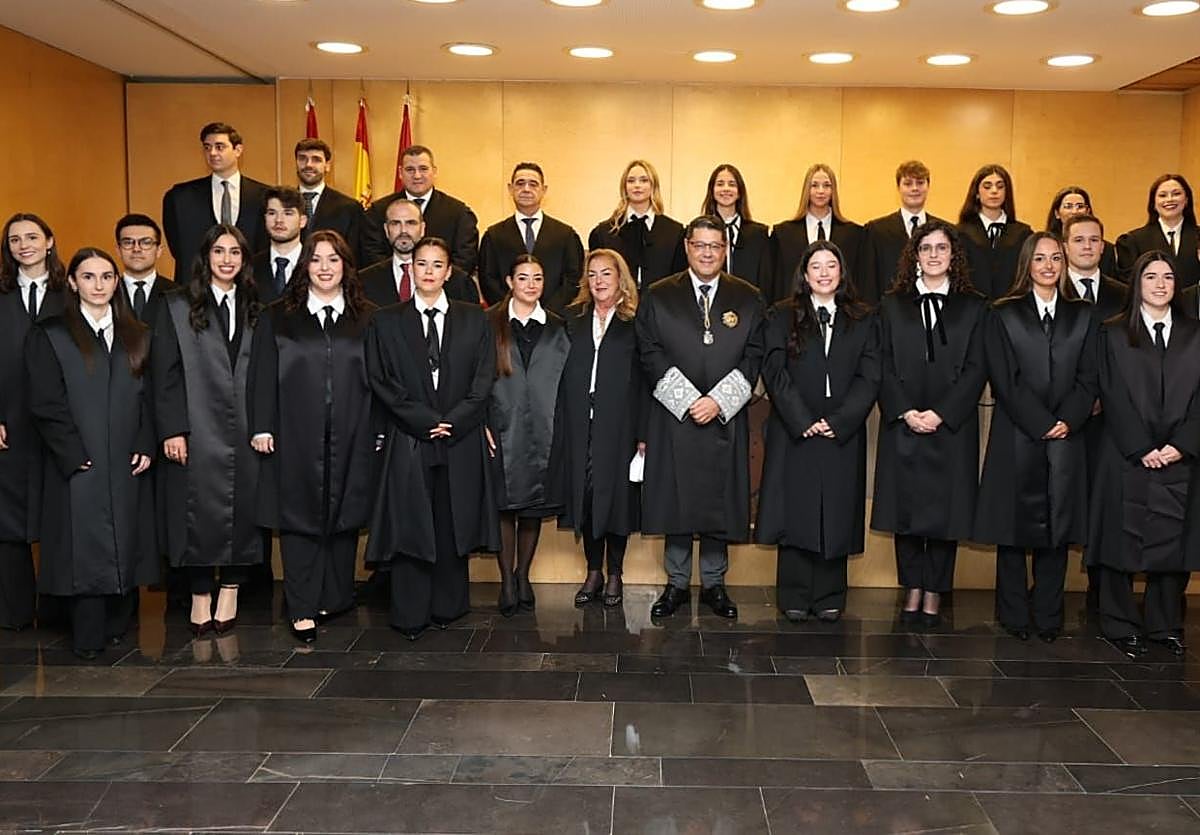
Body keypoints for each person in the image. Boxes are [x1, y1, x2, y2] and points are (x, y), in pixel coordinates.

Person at [25, 248, 157, 658]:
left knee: (125, 540)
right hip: (78, 459)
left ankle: (119, 625)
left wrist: (144, 442)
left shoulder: (138, 333)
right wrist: (70, 452)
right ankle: (87, 636)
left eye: (106, 277)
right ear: (72, 282)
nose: (98, 285)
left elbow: (150, 398)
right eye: (88, 277)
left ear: (116, 282)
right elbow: (45, 402)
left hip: (125, 457)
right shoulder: (51, 333)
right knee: (84, 548)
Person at [364, 236, 497, 639]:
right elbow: (381, 380)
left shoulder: (476, 318)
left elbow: (483, 379)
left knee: (452, 520)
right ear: (411, 268)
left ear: (448, 271)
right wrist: (423, 420)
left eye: (437, 265)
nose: (428, 272)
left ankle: (449, 607)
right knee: (411, 523)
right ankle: (410, 612)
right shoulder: (386, 321)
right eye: (421, 264)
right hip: (410, 437)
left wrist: (454, 420)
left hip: (460, 437)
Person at [249, 230, 378, 644]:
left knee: (344, 513)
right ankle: (302, 606)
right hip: (294, 432)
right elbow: (262, 375)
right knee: (299, 518)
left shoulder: (367, 316)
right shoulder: (278, 315)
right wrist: (262, 425)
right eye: (316, 259)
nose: (325, 267)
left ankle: (335, 598)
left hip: (353, 429)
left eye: (333, 259)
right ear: (304, 265)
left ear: (346, 266)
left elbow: (380, 379)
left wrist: (378, 429)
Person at [637, 216, 766, 619]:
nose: (707, 252)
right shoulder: (659, 295)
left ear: (725, 249)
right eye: (700, 245)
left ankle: (714, 584)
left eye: (715, 246)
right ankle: (675, 584)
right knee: (676, 501)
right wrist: (689, 399)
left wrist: (720, 401)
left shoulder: (748, 297)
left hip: (725, 419)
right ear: (688, 247)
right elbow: (649, 351)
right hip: (675, 418)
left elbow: (756, 354)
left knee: (718, 501)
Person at [976, 232, 1099, 642]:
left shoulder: (1083, 315)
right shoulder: (1003, 313)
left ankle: (1048, 614)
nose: (1048, 266)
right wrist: (1040, 422)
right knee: (1012, 532)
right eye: (1040, 259)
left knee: (1057, 530)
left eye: (1055, 259)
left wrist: (1067, 419)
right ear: (1026, 264)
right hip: (1017, 433)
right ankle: (1013, 614)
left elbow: (1089, 377)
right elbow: (1004, 379)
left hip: (1067, 435)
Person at [871, 220, 988, 625]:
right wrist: (905, 410)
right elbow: (880, 362)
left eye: (942, 248)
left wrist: (942, 413)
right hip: (904, 421)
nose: (934, 255)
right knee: (906, 512)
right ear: (914, 256)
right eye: (926, 249)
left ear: (953, 256)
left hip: (951, 426)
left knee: (945, 514)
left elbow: (977, 367)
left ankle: (936, 589)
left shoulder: (974, 305)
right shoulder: (891, 304)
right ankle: (912, 587)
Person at [757, 241, 880, 622]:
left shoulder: (863, 317)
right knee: (795, 508)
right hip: (796, 425)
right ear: (804, 274)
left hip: (842, 426)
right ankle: (793, 593)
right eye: (816, 266)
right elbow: (774, 371)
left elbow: (871, 374)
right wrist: (802, 419)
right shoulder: (781, 314)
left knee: (837, 510)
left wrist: (841, 420)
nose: (824, 273)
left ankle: (830, 594)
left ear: (842, 272)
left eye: (832, 265)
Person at [151, 224, 264, 636]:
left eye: (236, 252)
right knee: (195, 513)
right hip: (195, 426)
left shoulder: (257, 305)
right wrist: (172, 430)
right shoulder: (177, 305)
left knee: (242, 510)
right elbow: (163, 374)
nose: (227, 259)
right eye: (219, 251)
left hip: (248, 428)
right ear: (205, 257)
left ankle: (230, 589)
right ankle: (200, 592)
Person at [1090, 250, 1197, 659]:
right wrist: (1142, 447)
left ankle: (1165, 624)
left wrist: (1180, 445)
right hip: (1125, 453)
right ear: (1137, 284)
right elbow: (1111, 395)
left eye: (1168, 277)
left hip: (1180, 456)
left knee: (1175, 541)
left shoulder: (1195, 334)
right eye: (1150, 277)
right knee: (1122, 537)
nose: (1159, 285)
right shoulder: (1113, 333)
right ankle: (1120, 623)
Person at [558, 249, 645, 609]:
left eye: (606, 274)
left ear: (620, 277)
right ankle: (592, 571)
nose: (598, 281)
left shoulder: (636, 321)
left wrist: (643, 434)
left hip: (621, 424)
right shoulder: (573, 318)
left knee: (618, 499)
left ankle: (614, 574)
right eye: (592, 274)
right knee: (589, 496)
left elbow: (644, 380)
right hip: (581, 422)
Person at [484, 254, 570, 615]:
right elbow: (475, 377)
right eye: (523, 278)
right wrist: (482, 422)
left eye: (537, 278)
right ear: (509, 282)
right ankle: (505, 580)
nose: (531, 284)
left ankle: (523, 575)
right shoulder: (489, 323)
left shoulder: (559, 325)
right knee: (505, 506)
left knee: (534, 506)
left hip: (546, 429)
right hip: (501, 426)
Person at [0, 213, 67, 630]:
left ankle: (60, 609)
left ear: (49, 240)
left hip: (62, 422)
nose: (23, 245)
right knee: (8, 519)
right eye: (13, 240)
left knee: (61, 513)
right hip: (9, 423)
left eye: (31, 237)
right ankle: (14, 612)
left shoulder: (72, 292)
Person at [1062, 213, 1127, 611]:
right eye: (1079, 239)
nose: (1087, 246)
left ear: (1103, 246)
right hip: (1062, 416)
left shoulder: (1123, 293)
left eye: (1094, 240)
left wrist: (1104, 397)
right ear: (1065, 245)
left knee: (1107, 505)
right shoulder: (1051, 287)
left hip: (1112, 417)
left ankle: (1101, 594)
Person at [162, 122, 267, 278]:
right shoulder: (180, 197)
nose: (212, 153)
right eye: (207, 147)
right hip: (197, 287)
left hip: (250, 287)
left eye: (219, 147)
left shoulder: (264, 196)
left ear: (238, 150)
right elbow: (178, 248)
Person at [478, 162, 584, 311]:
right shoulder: (494, 235)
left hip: (555, 320)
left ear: (544, 190)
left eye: (533, 184)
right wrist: (513, 309)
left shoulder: (565, 235)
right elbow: (488, 280)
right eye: (520, 184)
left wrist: (548, 312)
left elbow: (573, 279)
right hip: (507, 320)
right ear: (510, 189)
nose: (526, 189)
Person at [360, 145, 480, 273]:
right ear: (400, 172)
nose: (417, 176)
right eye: (410, 169)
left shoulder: (459, 214)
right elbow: (372, 255)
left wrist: (433, 281)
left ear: (434, 171)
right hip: (390, 288)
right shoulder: (377, 212)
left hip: (445, 289)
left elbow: (465, 259)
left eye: (423, 169)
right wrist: (402, 278)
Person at [768, 163, 862, 305]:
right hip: (794, 312)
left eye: (826, 185)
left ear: (833, 191)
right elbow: (775, 283)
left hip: (841, 312)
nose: (820, 191)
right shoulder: (783, 234)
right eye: (814, 185)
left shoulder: (854, 234)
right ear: (807, 189)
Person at [360, 196, 479, 307]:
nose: (403, 231)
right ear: (386, 230)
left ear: (422, 229)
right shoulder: (364, 281)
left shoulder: (459, 282)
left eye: (411, 223)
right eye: (395, 223)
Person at [588, 160, 685, 290]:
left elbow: (679, 280)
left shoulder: (675, 232)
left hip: (661, 306)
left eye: (644, 180)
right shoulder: (603, 233)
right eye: (631, 181)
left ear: (653, 186)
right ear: (624, 187)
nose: (637, 185)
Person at [859, 160, 945, 304]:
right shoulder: (876, 230)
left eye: (920, 182)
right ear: (898, 187)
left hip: (935, 309)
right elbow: (868, 282)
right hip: (890, 313)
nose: (914, 188)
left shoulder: (944, 230)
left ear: (928, 186)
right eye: (908, 183)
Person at [956, 164, 1032, 299]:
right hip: (972, 308)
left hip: (1011, 309)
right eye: (987, 186)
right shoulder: (960, 232)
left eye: (1000, 186)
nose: (994, 191)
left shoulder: (1023, 233)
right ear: (977, 193)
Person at [1115, 174, 1200, 289]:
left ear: (1186, 200)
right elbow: (1129, 286)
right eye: (1162, 195)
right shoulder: (1132, 241)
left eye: (1176, 194)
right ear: (1153, 203)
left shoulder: (1198, 235)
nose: (1169, 199)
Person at [700, 163, 772, 292]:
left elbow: (765, 282)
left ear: (739, 192)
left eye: (732, 184)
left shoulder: (759, 234)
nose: (726, 189)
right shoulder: (699, 232)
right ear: (712, 191)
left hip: (748, 306)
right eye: (720, 184)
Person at [294, 137, 363, 261]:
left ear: (327, 166)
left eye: (316, 160)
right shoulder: (284, 204)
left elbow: (353, 256)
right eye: (302, 158)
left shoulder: (349, 208)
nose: (308, 164)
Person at [1044, 186, 1118, 278]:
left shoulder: (1106, 249)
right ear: (1057, 213)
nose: (1075, 211)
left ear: (1088, 211)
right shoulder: (1045, 247)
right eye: (1068, 206)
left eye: (1080, 206)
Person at [115, 214, 176, 324]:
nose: (136, 249)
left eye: (146, 242)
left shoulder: (177, 293)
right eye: (128, 243)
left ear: (159, 250)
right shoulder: (108, 292)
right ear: (118, 250)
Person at [252, 186, 308, 303]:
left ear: (302, 221)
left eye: (288, 213)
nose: (279, 220)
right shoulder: (251, 266)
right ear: (265, 218)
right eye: (272, 213)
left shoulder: (315, 264)